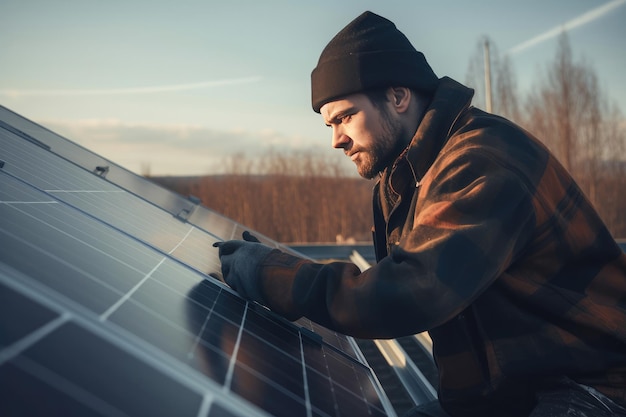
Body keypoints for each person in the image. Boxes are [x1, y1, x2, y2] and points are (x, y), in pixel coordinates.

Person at [214, 11, 626, 417]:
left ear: (398, 96)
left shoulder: (479, 160)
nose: (336, 140)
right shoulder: (408, 176)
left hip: (594, 386)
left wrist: (273, 275)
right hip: (507, 394)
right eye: (329, 125)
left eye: (345, 117)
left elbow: (411, 292)